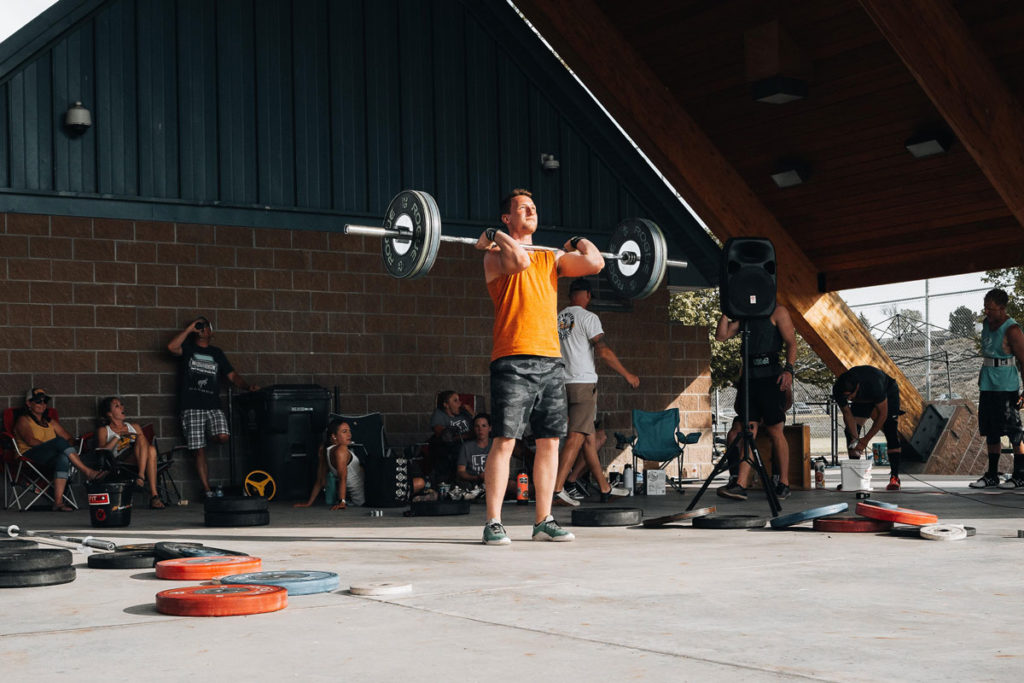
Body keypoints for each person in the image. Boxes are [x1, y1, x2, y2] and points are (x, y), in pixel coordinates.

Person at [475, 188, 604, 545]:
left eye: (533, 207)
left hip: (550, 360)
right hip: (512, 359)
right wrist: (493, 237)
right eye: (523, 208)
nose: (531, 211)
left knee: (549, 442)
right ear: (507, 218)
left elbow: (595, 263)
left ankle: (543, 520)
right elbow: (519, 261)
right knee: (505, 440)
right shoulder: (495, 256)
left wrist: (576, 242)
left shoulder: (551, 257)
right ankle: (493, 522)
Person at [552, 277, 638, 506]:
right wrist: (627, 374)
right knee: (576, 437)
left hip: (562, 384)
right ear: (588, 295)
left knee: (589, 439)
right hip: (582, 384)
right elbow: (604, 351)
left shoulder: (557, 318)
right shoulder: (589, 318)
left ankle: (604, 487)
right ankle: (557, 489)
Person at [167, 316, 259, 497]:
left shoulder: (216, 353)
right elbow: (171, 347)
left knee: (223, 436)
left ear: (211, 332)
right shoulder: (188, 348)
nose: (202, 329)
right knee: (198, 451)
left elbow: (232, 376)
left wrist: (248, 386)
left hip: (212, 406)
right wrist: (189, 329)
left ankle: (205, 437)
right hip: (191, 406)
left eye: (205, 326)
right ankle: (207, 490)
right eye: (199, 326)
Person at [715, 304, 797, 501]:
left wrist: (789, 370)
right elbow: (721, 336)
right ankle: (741, 484)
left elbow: (792, 343)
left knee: (775, 431)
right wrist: (727, 310)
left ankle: (784, 483)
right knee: (748, 431)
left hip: (771, 378)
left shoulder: (777, 311)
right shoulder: (745, 314)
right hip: (749, 380)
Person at [13, 388, 105, 511]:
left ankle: (58, 502)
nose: (42, 404)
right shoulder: (23, 420)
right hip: (28, 455)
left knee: (63, 457)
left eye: (45, 401)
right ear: (29, 403)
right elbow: (30, 440)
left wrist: (68, 446)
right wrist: (55, 446)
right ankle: (88, 472)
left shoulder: (50, 422)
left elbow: (69, 439)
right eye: (38, 401)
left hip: (49, 456)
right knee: (59, 442)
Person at [970, 288, 1024, 489]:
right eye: (985, 307)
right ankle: (992, 475)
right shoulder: (986, 323)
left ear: (1002, 308)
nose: (986, 312)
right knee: (991, 430)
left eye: (990, 308)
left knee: (1013, 431)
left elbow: (1023, 360)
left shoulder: (1012, 329)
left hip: (1006, 387)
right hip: (987, 385)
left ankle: (1020, 474)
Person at [832, 366, 904, 491]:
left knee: (890, 429)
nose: (848, 399)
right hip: (862, 399)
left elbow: (882, 415)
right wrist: (855, 439)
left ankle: (895, 477)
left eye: (850, 396)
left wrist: (865, 440)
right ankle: (854, 478)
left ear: (857, 387)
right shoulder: (838, 389)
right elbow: (847, 414)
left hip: (887, 391)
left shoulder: (875, 385)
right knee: (849, 433)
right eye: (845, 397)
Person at [96, 396, 165, 508]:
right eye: (117, 406)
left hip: (139, 459)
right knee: (144, 442)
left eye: (121, 404)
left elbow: (145, 446)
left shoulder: (134, 426)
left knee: (151, 448)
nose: (122, 407)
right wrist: (118, 436)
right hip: (121, 461)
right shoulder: (104, 430)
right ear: (109, 413)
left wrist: (133, 437)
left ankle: (151, 491)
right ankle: (146, 485)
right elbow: (103, 451)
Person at [294, 418, 365, 510]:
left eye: (349, 431)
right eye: (344, 431)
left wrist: (342, 502)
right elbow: (320, 480)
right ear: (334, 436)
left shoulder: (339, 450)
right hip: (352, 500)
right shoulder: (328, 450)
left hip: (363, 498)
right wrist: (309, 503)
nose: (349, 435)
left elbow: (342, 478)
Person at [426, 390, 474, 483]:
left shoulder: (465, 413)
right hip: (452, 448)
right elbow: (442, 435)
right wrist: (466, 436)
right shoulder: (439, 414)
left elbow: (480, 425)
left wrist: (472, 413)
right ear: (446, 405)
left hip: (471, 445)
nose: (460, 403)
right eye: (455, 401)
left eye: (459, 400)